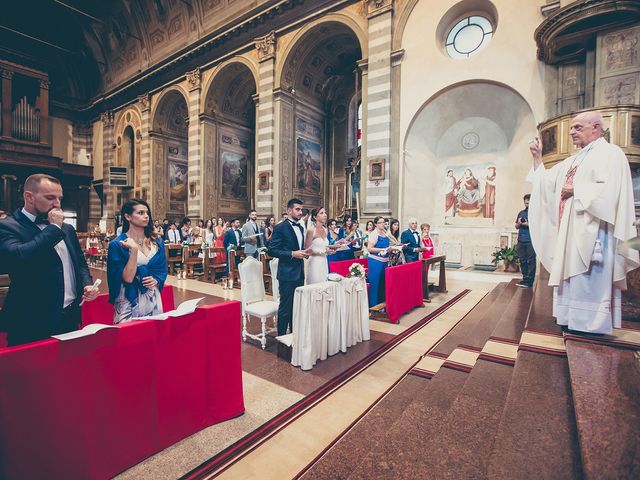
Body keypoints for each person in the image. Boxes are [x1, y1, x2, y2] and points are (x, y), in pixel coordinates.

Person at [528, 110, 639, 334]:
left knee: (590, 277)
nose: (571, 132)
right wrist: (538, 158)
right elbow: (548, 183)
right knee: (572, 277)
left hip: (596, 232)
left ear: (595, 128)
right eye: (571, 128)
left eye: (577, 127)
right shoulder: (573, 159)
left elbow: (611, 191)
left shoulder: (611, 154)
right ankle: (571, 318)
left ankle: (592, 324)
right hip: (570, 231)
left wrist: (577, 190)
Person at [0, 174, 98, 345]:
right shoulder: (8, 226)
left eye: (60, 198)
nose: (58, 204)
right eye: (50, 198)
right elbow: (19, 258)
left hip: (69, 317)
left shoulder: (66, 228)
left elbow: (79, 262)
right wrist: (52, 228)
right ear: (29, 197)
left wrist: (86, 283)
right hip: (31, 320)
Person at [107, 199, 167, 324]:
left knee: (153, 336)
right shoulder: (117, 244)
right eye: (140, 213)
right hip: (128, 298)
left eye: (147, 213)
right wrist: (134, 250)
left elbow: (162, 269)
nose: (146, 216)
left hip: (152, 296)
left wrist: (156, 279)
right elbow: (128, 278)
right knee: (130, 338)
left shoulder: (158, 242)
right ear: (128, 216)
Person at [268, 198, 308, 335]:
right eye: (297, 209)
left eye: (301, 209)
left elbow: (299, 248)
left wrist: (305, 253)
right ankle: (282, 339)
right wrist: (292, 253)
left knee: (297, 307)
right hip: (287, 273)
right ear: (289, 210)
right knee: (285, 308)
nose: (300, 212)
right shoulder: (280, 227)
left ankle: (294, 336)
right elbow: (272, 250)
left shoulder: (301, 227)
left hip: (299, 272)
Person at [305, 207, 336, 284]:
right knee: (315, 285)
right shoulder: (311, 230)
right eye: (321, 213)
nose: (325, 215)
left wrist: (334, 247)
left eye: (325, 213)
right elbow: (307, 251)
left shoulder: (325, 230)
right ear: (315, 217)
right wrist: (324, 252)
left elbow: (324, 246)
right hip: (315, 262)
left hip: (324, 262)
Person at [367, 216, 392, 307]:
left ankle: (381, 304)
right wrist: (384, 250)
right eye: (380, 222)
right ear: (376, 224)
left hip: (385, 261)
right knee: (375, 283)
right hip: (375, 262)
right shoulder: (374, 234)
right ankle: (373, 306)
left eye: (384, 222)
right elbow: (370, 249)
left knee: (382, 283)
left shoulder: (385, 233)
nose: (383, 224)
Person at [515, 194, 535, 288]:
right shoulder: (521, 213)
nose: (527, 202)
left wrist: (527, 224)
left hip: (531, 240)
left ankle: (530, 281)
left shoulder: (535, 213)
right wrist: (519, 223)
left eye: (529, 201)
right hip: (521, 240)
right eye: (525, 201)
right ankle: (525, 279)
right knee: (522, 260)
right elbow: (516, 227)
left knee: (530, 261)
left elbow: (537, 227)